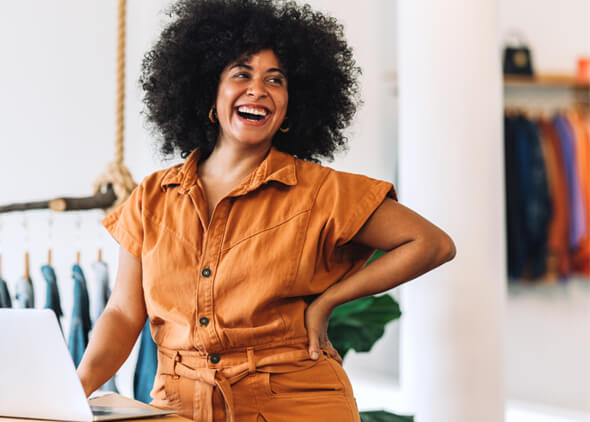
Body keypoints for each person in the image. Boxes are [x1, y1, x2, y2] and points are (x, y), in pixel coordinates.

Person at [77, 1, 456, 421]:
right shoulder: (151, 196)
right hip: (179, 407)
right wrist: (75, 389)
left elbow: (431, 243)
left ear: (291, 106)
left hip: (294, 404)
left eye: (275, 80)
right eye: (242, 74)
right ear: (209, 91)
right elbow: (123, 313)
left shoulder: (319, 191)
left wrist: (328, 301)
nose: (258, 89)